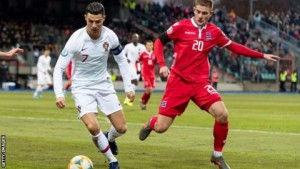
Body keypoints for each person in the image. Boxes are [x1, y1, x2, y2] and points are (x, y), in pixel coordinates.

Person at [138, 0, 279, 169]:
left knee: (222, 114)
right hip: (178, 82)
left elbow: (234, 47)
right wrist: (161, 64)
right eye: (198, 12)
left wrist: (262, 55)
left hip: (200, 83)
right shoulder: (180, 27)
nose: (200, 16)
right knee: (161, 127)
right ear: (194, 10)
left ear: (210, 14)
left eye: (205, 13)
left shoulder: (214, 32)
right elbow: (159, 42)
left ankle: (217, 156)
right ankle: (149, 124)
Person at [53, 2, 135, 169]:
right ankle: (113, 161)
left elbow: (121, 61)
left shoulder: (110, 36)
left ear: (104, 18)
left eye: (98, 21)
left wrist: (129, 87)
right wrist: (59, 93)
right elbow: (59, 67)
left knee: (121, 127)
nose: (94, 25)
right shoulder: (76, 39)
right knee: (92, 126)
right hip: (82, 87)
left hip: (104, 84)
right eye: (90, 21)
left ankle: (109, 139)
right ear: (85, 18)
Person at [123, 33, 146, 106]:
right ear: (131, 38)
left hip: (139, 66)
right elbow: (123, 54)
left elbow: (144, 56)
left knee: (135, 83)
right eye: (134, 37)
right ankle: (129, 98)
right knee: (135, 80)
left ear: (139, 39)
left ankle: (128, 99)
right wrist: (127, 59)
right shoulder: (128, 46)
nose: (135, 39)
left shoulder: (142, 47)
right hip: (130, 65)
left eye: (136, 37)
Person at [139, 40, 157, 110]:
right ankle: (142, 99)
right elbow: (138, 61)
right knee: (149, 89)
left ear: (152, 46)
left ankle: (144, 104)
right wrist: (139, 71)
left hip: (152, 74)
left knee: (150, 91)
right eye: (148, 45)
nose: (149, 46)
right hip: (145, 74)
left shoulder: (154, 54)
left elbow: (156, 63)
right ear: (146, 46)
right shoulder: (142, 54)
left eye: (151, 45)